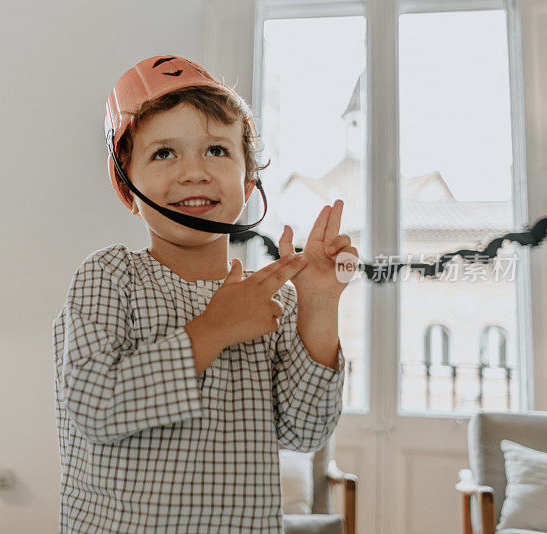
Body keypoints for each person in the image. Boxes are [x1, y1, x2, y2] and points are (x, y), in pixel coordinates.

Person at [53, 54, 358, 533]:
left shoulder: (274, 298)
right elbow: (94, 404)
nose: (194, 172)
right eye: (164, 153)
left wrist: (319, 305)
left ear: (248, 182)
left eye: (216, 151)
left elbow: (306, 430)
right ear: (128, 188)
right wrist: (215, 328)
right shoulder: (110, 277)